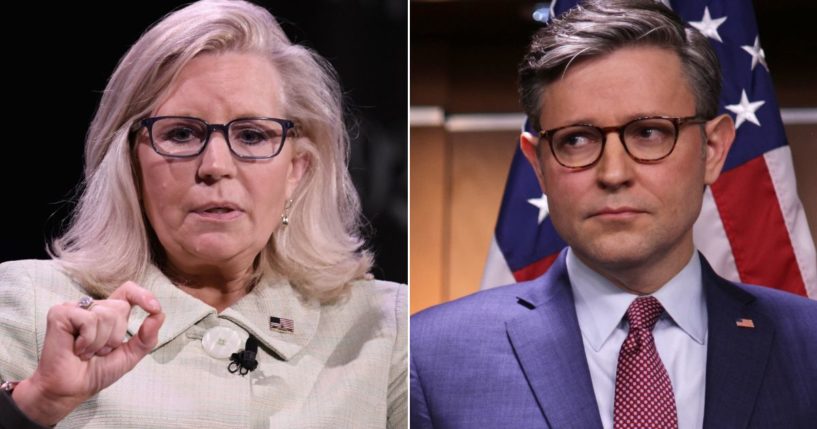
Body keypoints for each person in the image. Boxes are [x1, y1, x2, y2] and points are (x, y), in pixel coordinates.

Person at [410, 1, 817, 428]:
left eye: (649, 133)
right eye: (577, 140)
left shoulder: (807, 347)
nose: (614, 173)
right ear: (539, 165)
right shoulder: (432, 358)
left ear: (712, 150)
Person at [0, 1, 407, 428]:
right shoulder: (25, 306)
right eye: (180, 133)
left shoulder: (386, 330)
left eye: (252, 135)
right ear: (129, 163)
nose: (215, 165)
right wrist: (40, 401)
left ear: (296, 170)